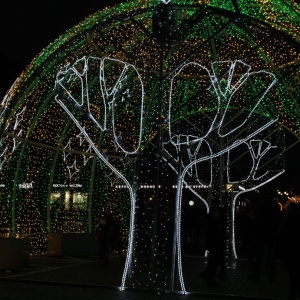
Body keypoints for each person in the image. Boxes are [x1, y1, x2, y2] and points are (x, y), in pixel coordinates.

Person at [248, 193, 282, 282]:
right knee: (271, 256)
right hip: (271, 233)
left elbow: (259, 221)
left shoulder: (263, 207)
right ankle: (271, 275)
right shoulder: (275, 207)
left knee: (260, 255)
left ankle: (256, 274)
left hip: (263, 234)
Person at [278, 201, 300, 300]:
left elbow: (282, 238)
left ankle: (292, 295)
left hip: (291, 253)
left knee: (293, 278)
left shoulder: (287, 221)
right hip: (295, 252)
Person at [200, 205, 227, 285]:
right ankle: (209, 276)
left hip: (216, 244)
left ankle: (208, 275)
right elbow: (213, 234)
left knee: (215, 261)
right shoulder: (213, 222)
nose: (218, 214)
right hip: (215, 244)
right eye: (217, 213)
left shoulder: (215, 221)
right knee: (214, 261)